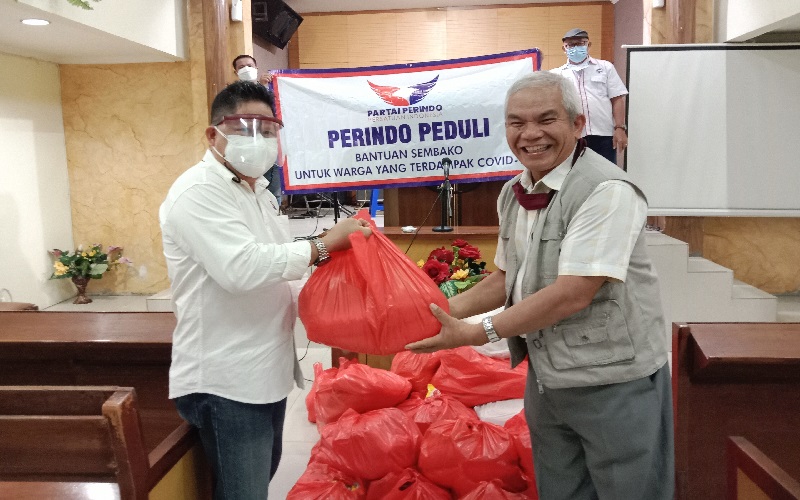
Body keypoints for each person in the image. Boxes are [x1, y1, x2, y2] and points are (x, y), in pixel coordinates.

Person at [407, 71, 673, 500]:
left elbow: (574, 292)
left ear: (577, 124)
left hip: (613, 379)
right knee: (561, 489)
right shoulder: (515, 192)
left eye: (546, 119)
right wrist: (438, 312)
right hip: (548, 378)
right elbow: (507, 276)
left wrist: (477, 332)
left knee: (630, 490)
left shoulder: (606, 190)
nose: (530, 134)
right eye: (517, 123)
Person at [159, 80, 371, 500]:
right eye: (243, 128)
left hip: (262, 369)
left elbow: (279, 261)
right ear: (213, 134)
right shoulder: (199, 191)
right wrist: (324, 245)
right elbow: (241, 269)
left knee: (258, 480)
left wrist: (331, 275)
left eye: (268, 129)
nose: (259, 139)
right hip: (227, 379)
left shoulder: (259, 192)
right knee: (245, 493)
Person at [551, 28, 628, 164]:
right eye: (571, 45)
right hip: (572, 135)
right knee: (574, 176)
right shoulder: (557, 75)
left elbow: (617, 98)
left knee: (606, 176)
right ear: (564, 49)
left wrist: (620, 128)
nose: (576, 48)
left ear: (588, 45)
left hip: (604, 135)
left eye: (580, 43)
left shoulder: (605, 67)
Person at [232, 55, 283, 206]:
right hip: (247, 152)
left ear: (256, 68)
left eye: (249, 65)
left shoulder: (271, 89)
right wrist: (260, 87)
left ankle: (274, 226)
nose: (246, 69)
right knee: (249, 192)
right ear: (235, 72)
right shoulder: (234, 94)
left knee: (273, 193)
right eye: (241, 67)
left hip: (270, 149)